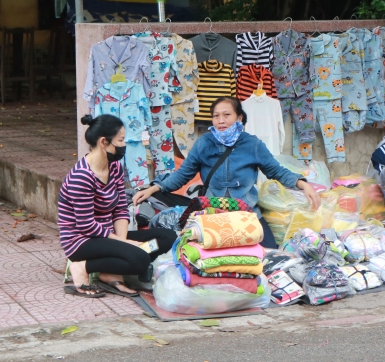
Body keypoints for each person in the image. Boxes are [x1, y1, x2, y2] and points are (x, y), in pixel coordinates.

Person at [133, 96, 320, 248]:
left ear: (239, 118)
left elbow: (276, 171)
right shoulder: (204, 143)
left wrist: (303, 184)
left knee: (268, 252)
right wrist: (153, 188)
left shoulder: (253, 144)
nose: (221, 121)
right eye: (216, 116)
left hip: (248, 214)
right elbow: (182, 176)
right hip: (212, 212)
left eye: (226, 115)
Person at [59, 114, 177, 298]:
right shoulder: (81, 177)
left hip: (109, 236)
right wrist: (125, 244)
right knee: (140, 259)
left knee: (167, 237)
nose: (124, 145)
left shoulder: (114, 167)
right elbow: (86, 225)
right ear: (104, 142)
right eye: (121, 140)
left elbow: (121, 208)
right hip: (82, 240)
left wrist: (123, 240)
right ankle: (82, 266)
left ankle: (109, 271)